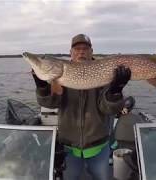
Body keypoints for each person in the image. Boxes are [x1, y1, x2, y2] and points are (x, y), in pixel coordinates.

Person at [31, 34, 131, 180]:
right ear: (70, 52)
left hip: (99, 146)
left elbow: (108, 109)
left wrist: (116, 90)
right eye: (77, 48)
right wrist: (41, 86)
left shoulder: (106, 72)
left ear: (91, 52)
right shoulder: (60, 75)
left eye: (85, 48)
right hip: (69, 146)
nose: (81, 51)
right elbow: (49, 103)